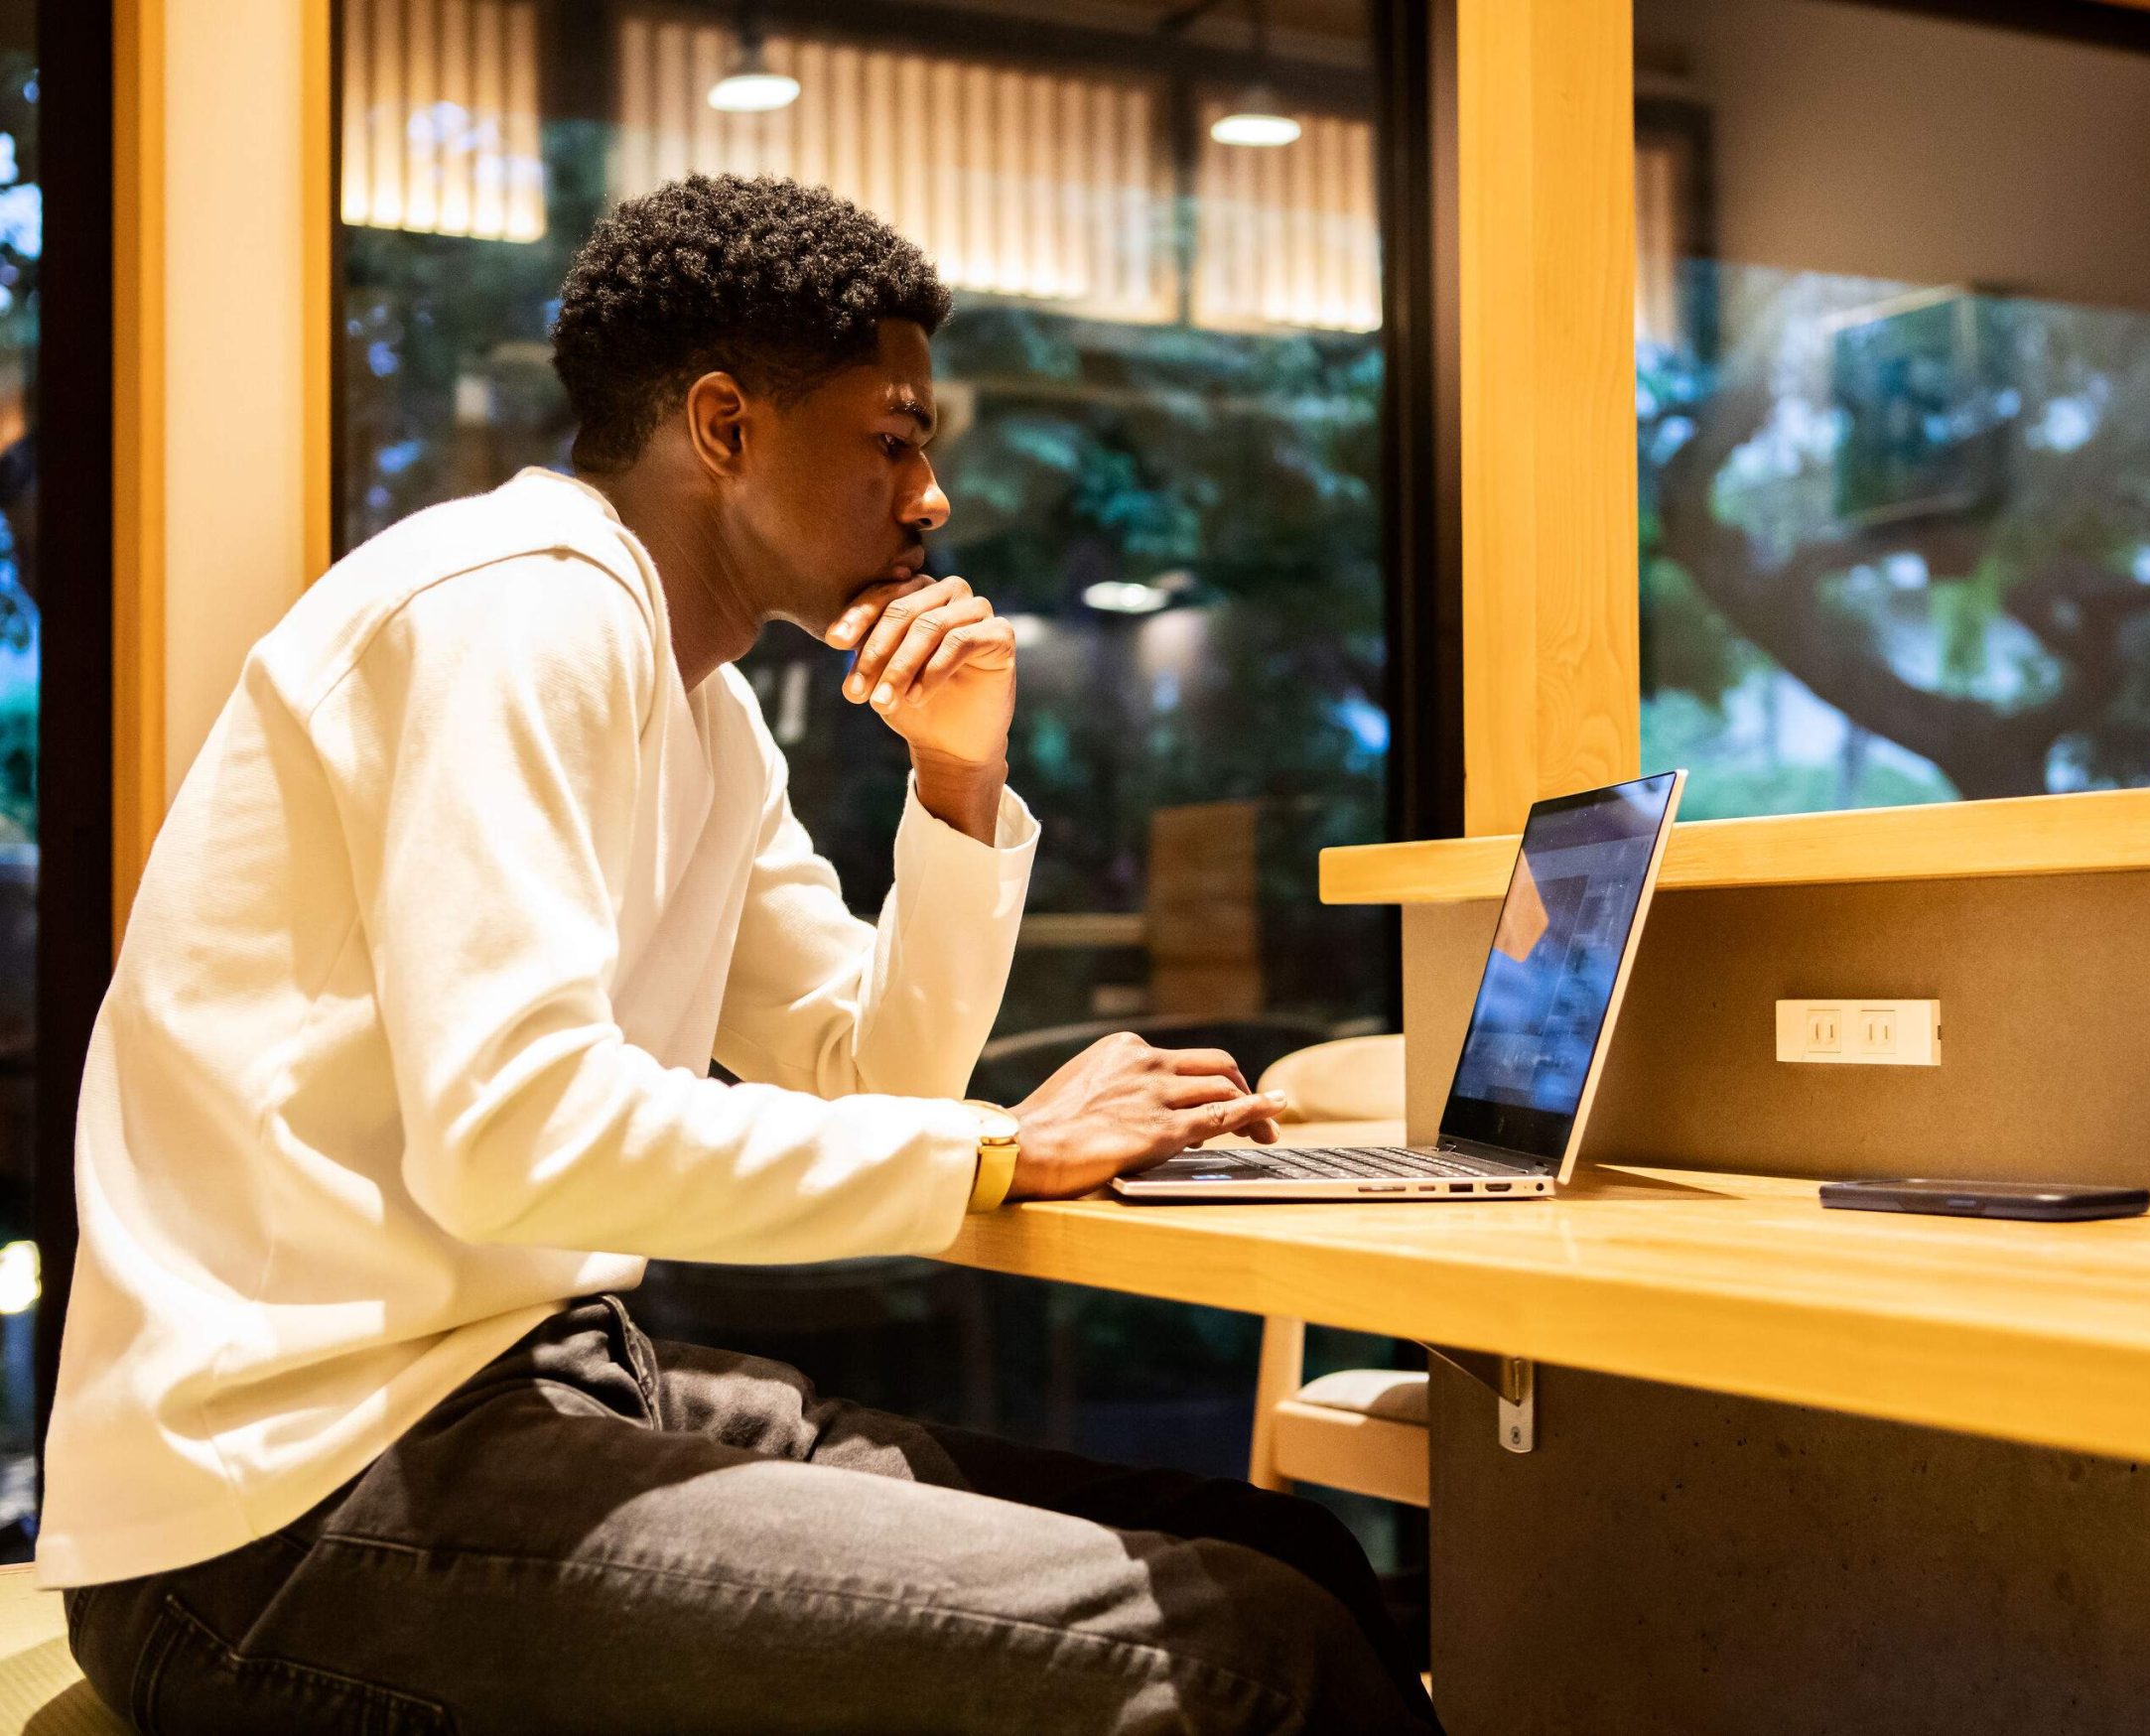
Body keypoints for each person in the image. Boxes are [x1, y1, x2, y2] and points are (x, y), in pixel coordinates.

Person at [44, 175, 1439, 1735]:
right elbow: (519, 1134)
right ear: (725, 429)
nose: (931, 499)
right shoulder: (523, 612)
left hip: (522, 1381)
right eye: (895, 438)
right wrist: (994, 1146)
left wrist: (957, 783)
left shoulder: (700, 707)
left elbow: (869, 1072)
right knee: (1245, 1654)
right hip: (277, 1505)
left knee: (1288, 1545)